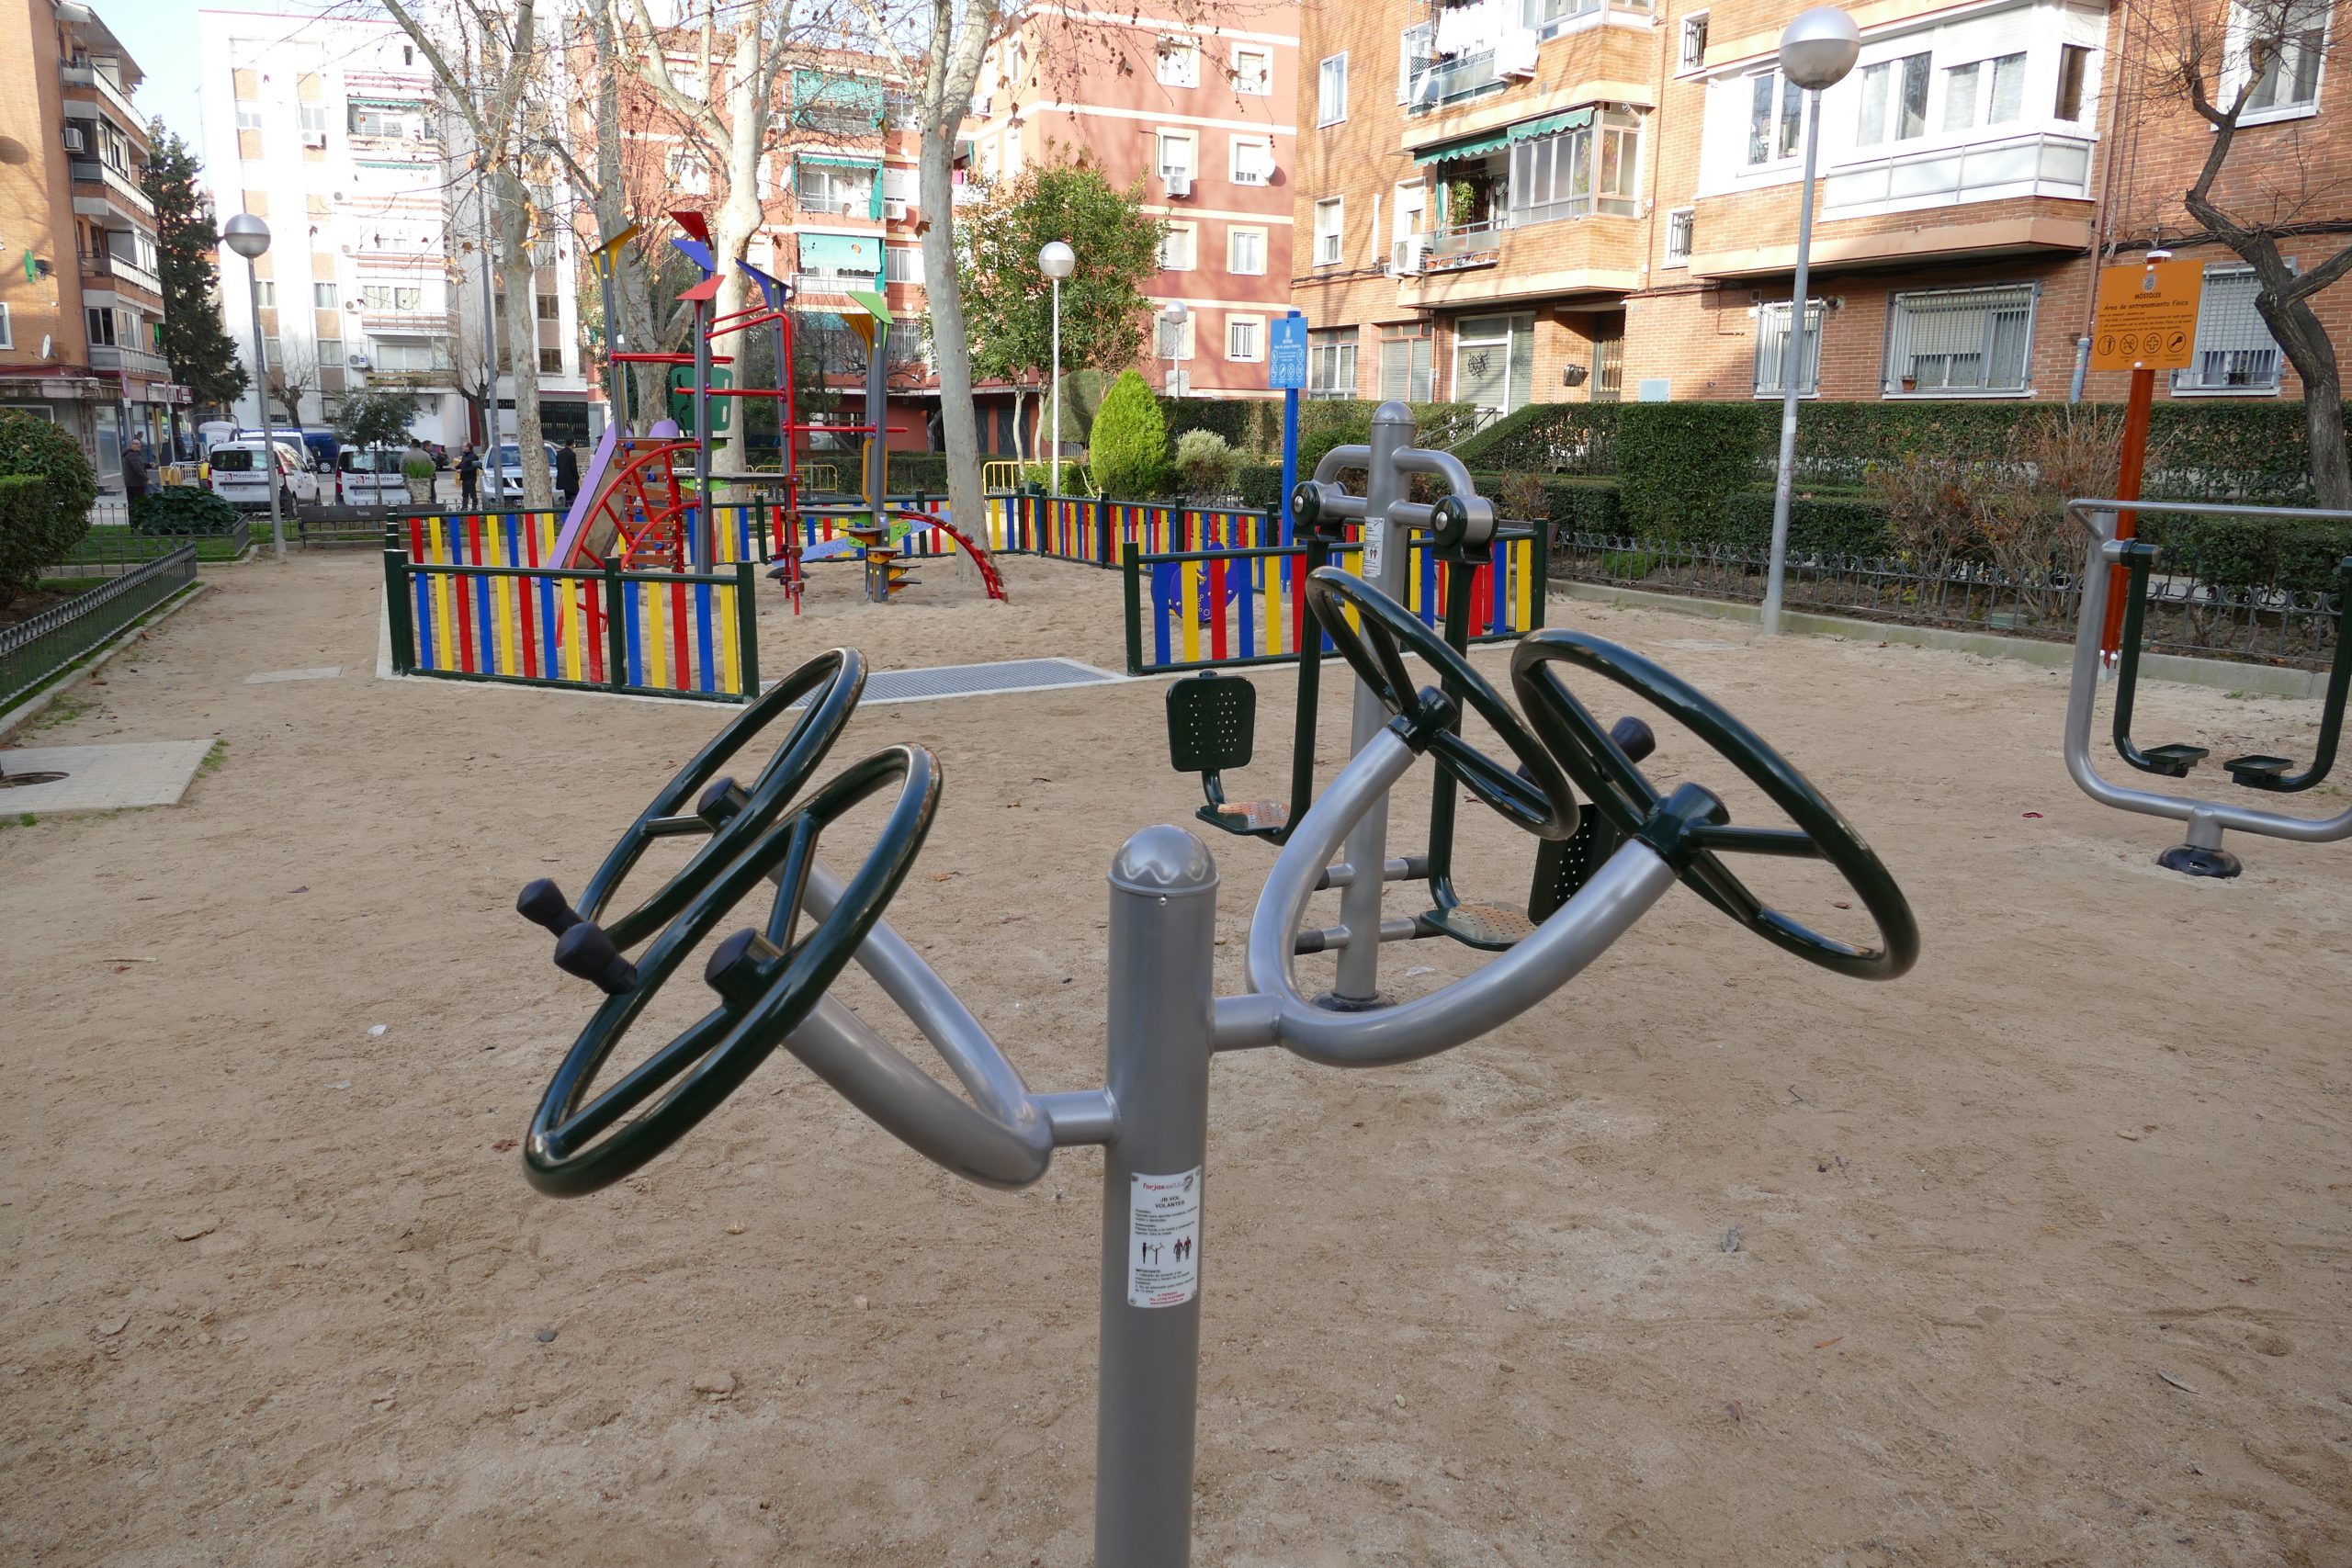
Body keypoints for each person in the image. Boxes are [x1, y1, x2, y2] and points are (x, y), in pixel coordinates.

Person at [121, 438, 151, 504]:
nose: (139, 445)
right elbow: (138, 469)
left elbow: (140, 465)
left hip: (131, 483)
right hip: (136, 483)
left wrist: (149, 465)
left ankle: (132, 514)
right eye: (136, 444)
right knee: (139, 502)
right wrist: (146, 479)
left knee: (132, 502)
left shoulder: (133, 454)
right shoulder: (132, 455)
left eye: (139, 444)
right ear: (131, 445)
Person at [555, 441, 580, 509]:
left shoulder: (559, 453)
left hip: (562, 479)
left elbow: (558, 465)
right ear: (573, 444)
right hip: (571, 480)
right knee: (574, 496)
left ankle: (566, 509)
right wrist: (577, 477)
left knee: (567, 496)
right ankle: (574, 509)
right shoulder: (572, 454)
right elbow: (574, 468)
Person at [458, 443, 480, 509]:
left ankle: (474, 506)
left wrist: (462, 471)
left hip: (470, 477)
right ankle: (464, 506)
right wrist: (456, 467)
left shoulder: (473, 456)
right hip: (464, 477)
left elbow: (473, 468)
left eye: (464, 446)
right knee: (465, 493)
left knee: (472, 493)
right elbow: (462, 464)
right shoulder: (465, 456)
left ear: (469, 447)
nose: (463, 448)